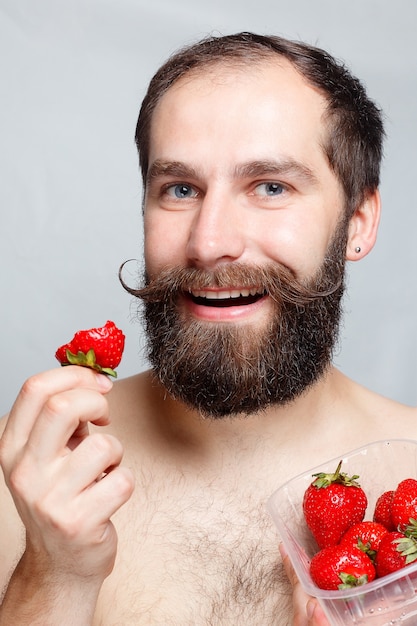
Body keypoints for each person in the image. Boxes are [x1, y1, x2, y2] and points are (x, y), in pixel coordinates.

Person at [0, 31, 415, 626]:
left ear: (358, 221)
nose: (209, 242)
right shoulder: (23, 480)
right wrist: (52, 575)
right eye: (180, 189)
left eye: (270, 187)